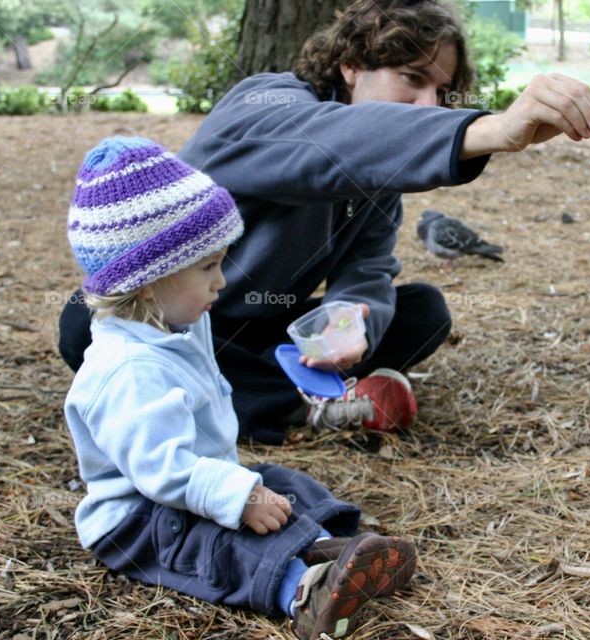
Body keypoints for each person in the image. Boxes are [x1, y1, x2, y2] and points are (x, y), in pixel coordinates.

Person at [57, 0, 590, 445]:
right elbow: (328, 144)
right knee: (87, 323)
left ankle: (278, 390)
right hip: (180, 317)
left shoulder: (385, 172)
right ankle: (309, 405)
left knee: (424, 311)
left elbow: (369, 263)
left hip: (269, 327)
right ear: (350, 66)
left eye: (443, 94)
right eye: (410, 79)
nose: (427, 106)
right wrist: (487, 130)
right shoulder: (266, 102)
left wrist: (347, 319)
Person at [63, 136, 417, 639]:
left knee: (281, 481)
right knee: (224, 542)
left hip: (197, 479)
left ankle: (331, 548)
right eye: (208, 266)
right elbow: (159, 471)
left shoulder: (176, 324)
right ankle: (303, 591)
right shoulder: (125, 370)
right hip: (141, 519)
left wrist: (243, 488)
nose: (222, 281)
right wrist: (237, 496)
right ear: (147, 281)